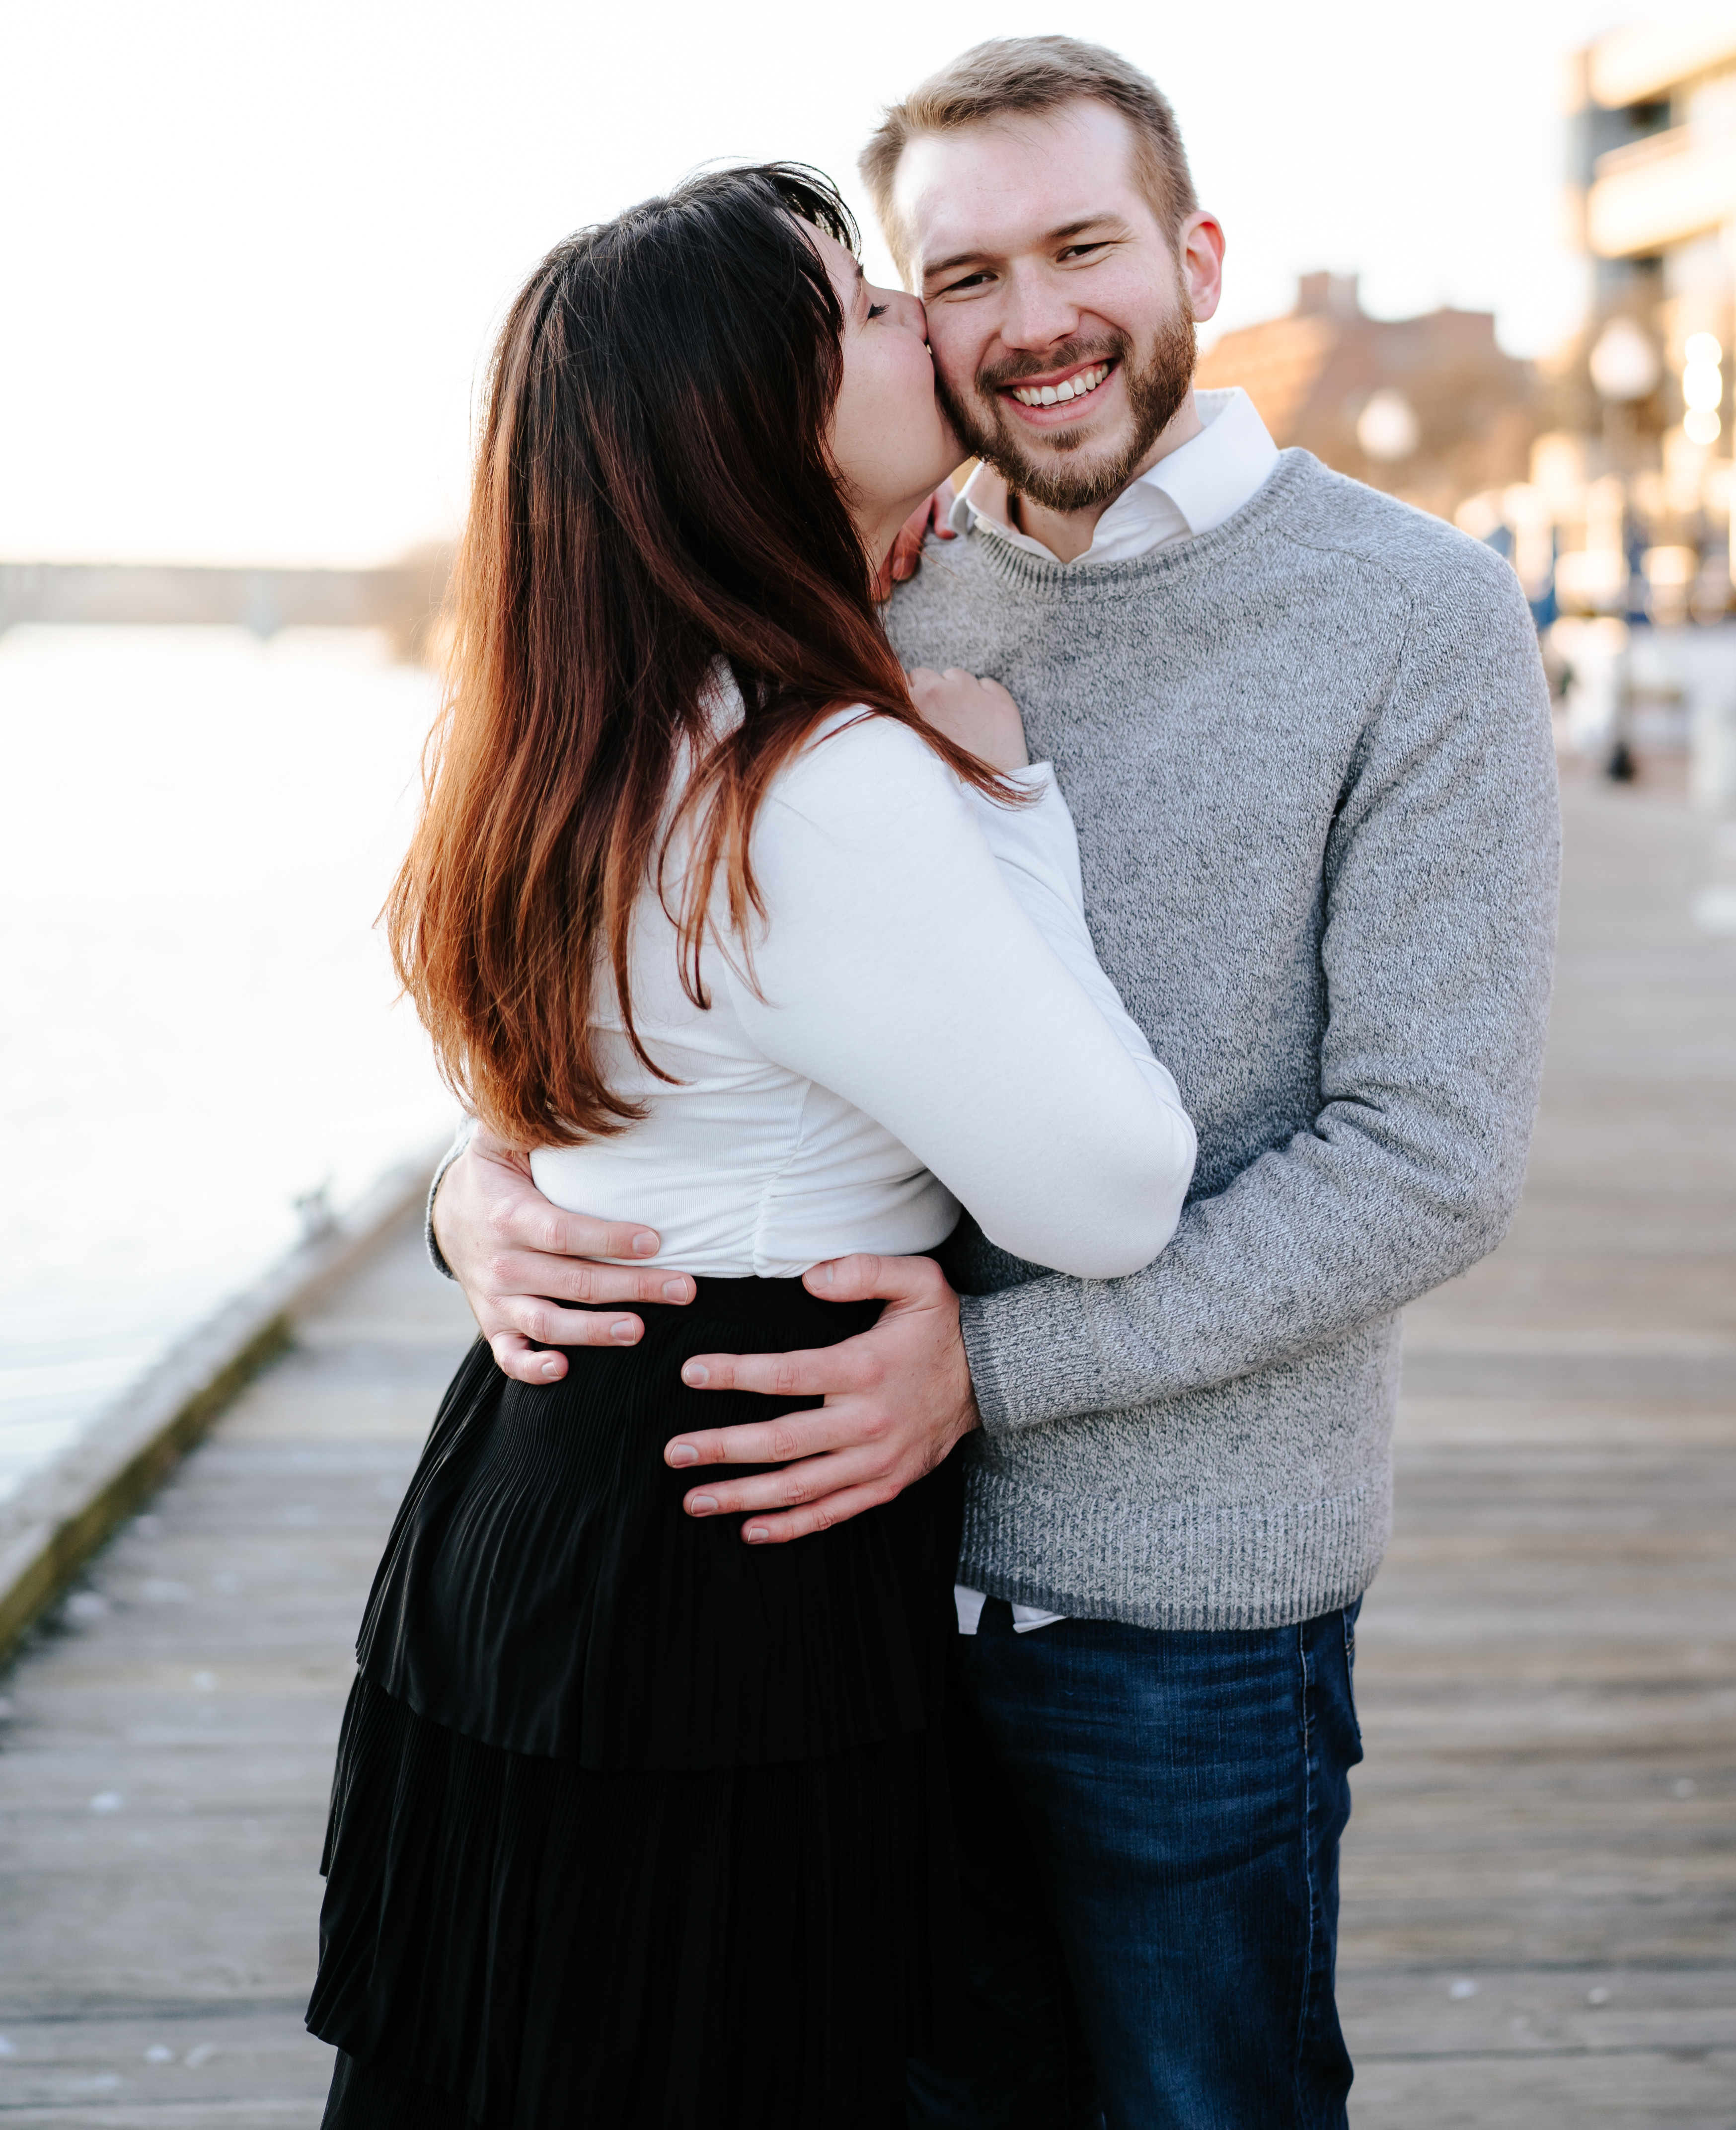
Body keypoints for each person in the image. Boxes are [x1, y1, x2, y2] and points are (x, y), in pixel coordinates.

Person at [433, 37, 1561, 2128]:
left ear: (1195, 254)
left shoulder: (1417, 616)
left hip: (1171, 1607)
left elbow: (1431, 1160)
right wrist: (481, 1189)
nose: (1029, 322)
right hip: (820, 1601)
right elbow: (631, 958)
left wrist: (986, 1378)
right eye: (955, 275)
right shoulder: (849, 574)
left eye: (1083, 248)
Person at [308, 161, 1197, 2130]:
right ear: (748, 420)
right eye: (858, 307)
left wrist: (475, 1190)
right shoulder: (830, 776)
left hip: (531, 1502)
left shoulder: (578, 736)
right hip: (721, 1546)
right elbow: (1111, 1194)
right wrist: (1010, 802)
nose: (914, 319)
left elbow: (588, 1101)